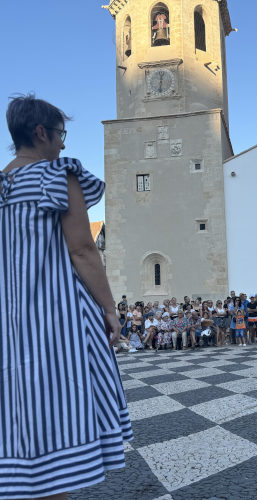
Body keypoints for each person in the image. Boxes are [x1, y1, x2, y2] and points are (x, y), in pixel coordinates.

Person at [0, 95, 132, 498]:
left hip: (9, 322)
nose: (63, 144)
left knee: (19, 414)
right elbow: (82, 250)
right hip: (59, 318)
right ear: (41, 133)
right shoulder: (57, 175)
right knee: (62, 410)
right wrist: (110, 309)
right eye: (61, 135)